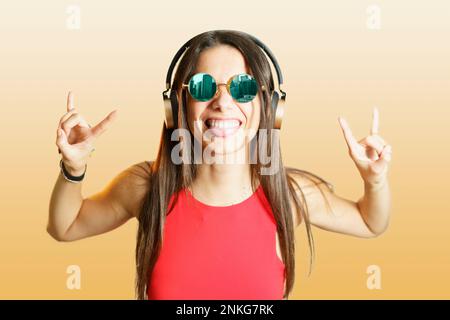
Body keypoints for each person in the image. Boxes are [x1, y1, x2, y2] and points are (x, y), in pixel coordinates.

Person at [48, 30, 393, 300]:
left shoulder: (290, 195)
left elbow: (370, 221)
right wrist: (73, 166)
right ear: (177, 107)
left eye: (243, 87)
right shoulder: (146, 186)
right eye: (203, 86)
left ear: (269, 107)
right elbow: (65, 227)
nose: (223, 101)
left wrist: (374, 180)